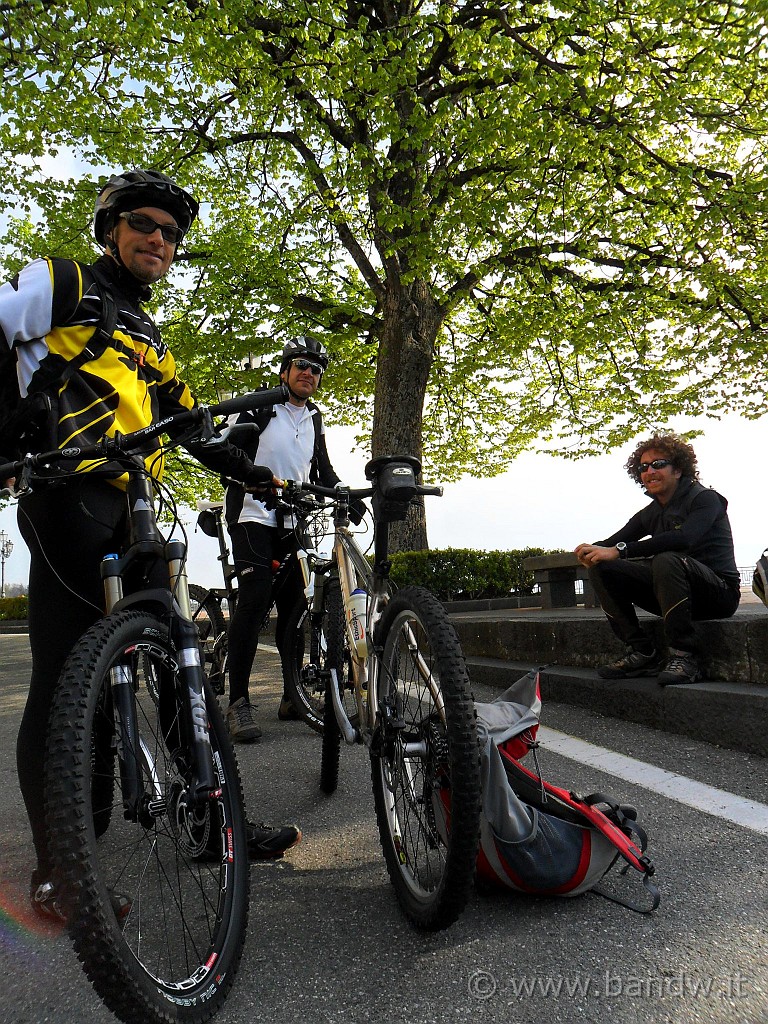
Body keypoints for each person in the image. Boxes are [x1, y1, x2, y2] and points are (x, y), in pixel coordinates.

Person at [0, 169, 300, 920]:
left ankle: (210, 823)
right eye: (144, 225)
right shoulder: (62, 282)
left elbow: (191, 425)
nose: (159, 240)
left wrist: (255, 474)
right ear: (111, 227)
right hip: (67, 491)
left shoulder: (149, 335)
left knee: (178, 662)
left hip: (135, 501)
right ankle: (60, 870)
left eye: (171, 234)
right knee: (69, 677)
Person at [222, 337, 364, 740]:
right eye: (301, 364)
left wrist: (345, 495)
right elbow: (228, 457)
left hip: (295, 523)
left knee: (294, 610)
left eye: (316, 369)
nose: (308, 373)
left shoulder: (313, 418)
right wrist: (257, 480)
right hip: (253, 516)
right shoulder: (260, 406)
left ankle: (291, 696)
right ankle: (238, 703)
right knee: (253, 603)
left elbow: (322, 469)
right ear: (284, 370)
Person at [574, 432, 740, 685]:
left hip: (718, 593)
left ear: (678, 469)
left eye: (658, 464)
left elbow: (684, 539)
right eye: (643, 467)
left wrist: (620, 550)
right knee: (602, 567)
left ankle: (685, 656)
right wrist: (590, 550)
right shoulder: (651, 512)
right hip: (672, 594)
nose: (650, 471)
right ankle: (642, 652)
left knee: (666, 559)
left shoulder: (706, 499)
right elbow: (611, 543)